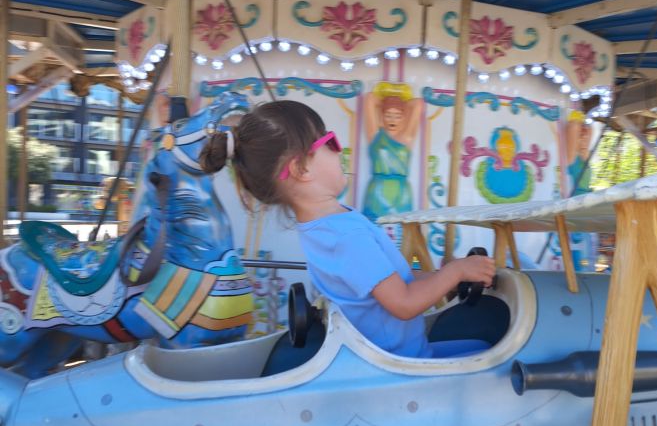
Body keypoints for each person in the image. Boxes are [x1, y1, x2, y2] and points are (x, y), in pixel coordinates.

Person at [200, 100, 496, 359]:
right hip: (398, 362)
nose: (338, 150)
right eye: (329, 142)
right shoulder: (345, 236)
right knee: (492, 355)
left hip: (393, 352)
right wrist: (454, 272)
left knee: (481, 345)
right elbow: (404, 303)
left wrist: (446, 278)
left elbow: (393, 281)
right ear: (301, 169)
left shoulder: (325, 228)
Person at [362, 82, 421, 221]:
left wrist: (400, 99)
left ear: (404, 117)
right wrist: (386, 99)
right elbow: (370, 98)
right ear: (382, 116)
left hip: (401, 192)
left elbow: (418, 103)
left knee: (401, 229)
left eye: (398, 116)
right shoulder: (375, 136)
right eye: (388, 115)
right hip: (377, 190)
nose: (392, 120)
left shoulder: (407, 137)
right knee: (375, 226)